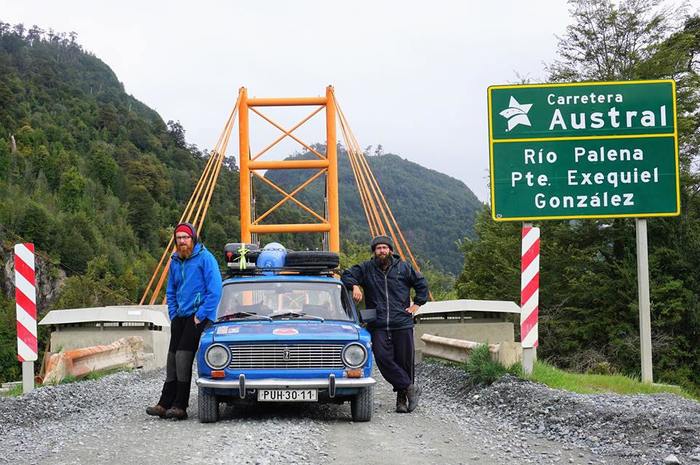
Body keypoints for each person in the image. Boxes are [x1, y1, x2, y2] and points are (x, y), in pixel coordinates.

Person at [341, 235, 429, 413]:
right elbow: (346, 275)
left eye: (385, 248)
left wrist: (417, 304)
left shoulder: (404, 268)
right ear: (374, 251)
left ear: (390, 250)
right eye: (378, 248)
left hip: (401, 321)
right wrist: (355, 285)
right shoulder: (366, 268)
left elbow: (421, 284)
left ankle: (402, 401)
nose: (382, 251)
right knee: (382, 358)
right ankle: (410, 388)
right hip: (378, 323)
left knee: (404, 362)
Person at [146, 222, 222, 420]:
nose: (182, 242)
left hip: (198, 316)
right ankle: (164, 403)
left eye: (185, 237)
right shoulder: (175, 260)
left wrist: (201, 314)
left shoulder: (206, 258)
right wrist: (173, 313)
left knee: (182, 358)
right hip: (180, 316)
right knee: (172, 359)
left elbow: (215, 290)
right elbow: (170, 291)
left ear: (193, 238)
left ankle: (180, 406)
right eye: (179, 238)